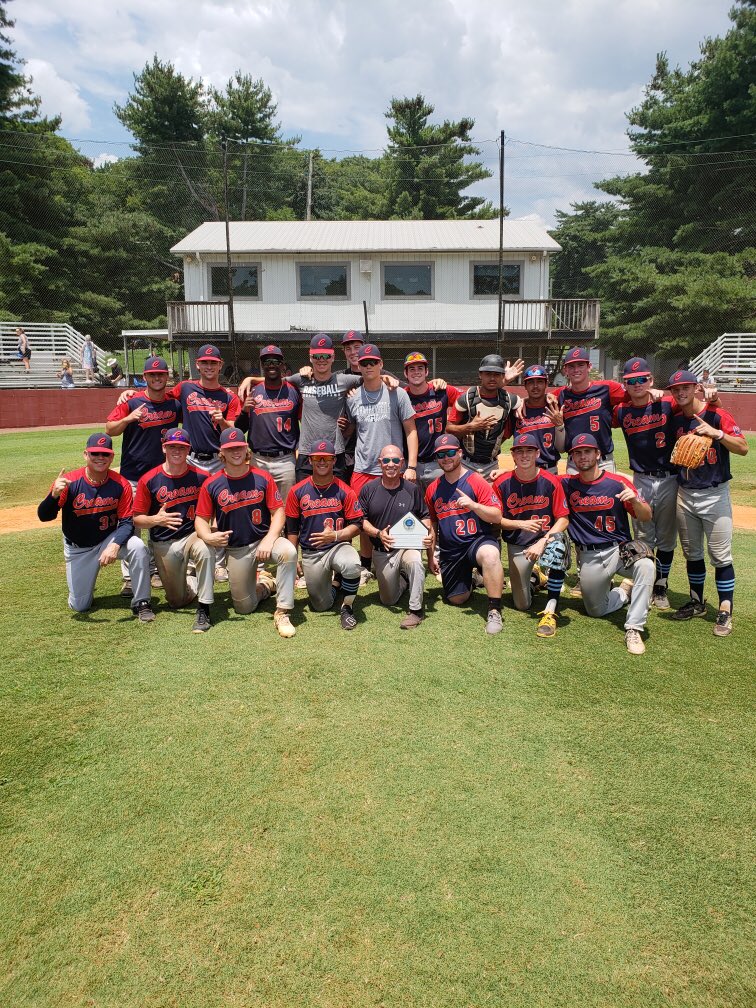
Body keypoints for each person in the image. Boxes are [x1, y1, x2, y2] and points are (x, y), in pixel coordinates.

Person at [36, 433, 155, 621]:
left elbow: (126, 522)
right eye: (95, 453)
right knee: (80, 606)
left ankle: (142, 602)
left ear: (112, 457)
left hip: (107, 539)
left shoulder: (120, 483)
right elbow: (44, 516)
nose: (100, 458)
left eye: (105, 454)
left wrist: (115, 545)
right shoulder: (69, 482)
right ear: (86, 455)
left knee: (137, 547)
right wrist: (53, 496)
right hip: (79, 548)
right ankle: (85, 584)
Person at [667, 369, 748, 636]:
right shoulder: (676, 417)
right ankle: (697, 601)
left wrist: (717, 433)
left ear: (696, 388)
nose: (680, 393)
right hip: (686, 493)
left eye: (685, 388)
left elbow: (742, 447)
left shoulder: (717, 414)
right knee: (693, 554)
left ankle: (725, 609)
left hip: (715, 494)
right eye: (676, 389)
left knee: (721, 555)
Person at [194, 427, 297, 638]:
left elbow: (278, 511)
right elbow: (201, 519)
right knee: (244, 606)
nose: (236, 452)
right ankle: (266, 586)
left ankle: (283, 611)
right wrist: (207, 536)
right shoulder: (212, 484)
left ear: (246, 449)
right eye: (230, 449)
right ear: (222, 452)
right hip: (237, 548)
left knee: (289, 552)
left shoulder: (263, 477)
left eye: (239, 447)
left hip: (263, 540)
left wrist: (270, 538)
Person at [561, 433, 654, 655]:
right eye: (578, 453)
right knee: (595, 610)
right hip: (589, 556)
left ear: (598, 454)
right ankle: (624, 592)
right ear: (572, 458)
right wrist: (499, 474)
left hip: (619, 549)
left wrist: (633, 499)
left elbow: (646, 515)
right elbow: (536, 477)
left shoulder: (617, 483)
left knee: (646, 566)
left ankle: (633, 627)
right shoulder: (566, 483)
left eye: (587, 451)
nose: (583, 456)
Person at [106, 356, 182, 595]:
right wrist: (129, 418)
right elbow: (110, 428)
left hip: (162, 476)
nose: (157, 378)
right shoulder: (132, 402)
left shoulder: (174, 404)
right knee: (131, 526)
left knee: (159, 524)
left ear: (166, 377)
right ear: (145, 377)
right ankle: (130, 578)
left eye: (161, 375)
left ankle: (156, 570)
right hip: (133, 475)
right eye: (152, 375)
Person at [345, 343, 418, 581]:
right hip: (363, 467)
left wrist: (412, 466)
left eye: (372, 363)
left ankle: (402, 561)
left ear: (381, 364)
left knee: (399, 515)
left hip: (392, 467)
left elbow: (411, 431)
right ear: (359, 366)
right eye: (364, 363)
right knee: (362, 519)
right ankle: (366, 565)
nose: (368, 367)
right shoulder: (354, 398)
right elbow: (354, 430)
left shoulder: (397, 393)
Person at [133, 428, 214, 632]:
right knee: (176, 601)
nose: (176, 451)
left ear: (188, 450)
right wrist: (155, 519)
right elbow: (137, 519)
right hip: (164, 542)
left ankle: (204, 608)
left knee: (204, 549)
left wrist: (210, 529)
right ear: (164, 448)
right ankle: (192, 581)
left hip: (192, 535)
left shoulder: (202, 477)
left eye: (181, 447)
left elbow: (214, 510)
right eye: (172, 447)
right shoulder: (149, 479)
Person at [613, 357, 679, 609]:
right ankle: (644, 583)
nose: (638, 384)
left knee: (666, 536)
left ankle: (661, 584)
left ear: (651, 380)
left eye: (643, 379)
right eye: (632, 381)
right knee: (643, 534)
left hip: (669, 477)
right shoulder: (622, 411)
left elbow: (694, 403)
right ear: (625, 385)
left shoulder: (667, 403)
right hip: (640, 479)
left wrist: (711, 396)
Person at [425, 434, 505, 634]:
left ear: (460, 453)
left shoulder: (475, 480)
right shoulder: (433, 488)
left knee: (490, 555)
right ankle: (475, 578)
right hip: (452, 550)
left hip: (477, 541)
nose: (446, 458)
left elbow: (496, 515)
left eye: (451, 452)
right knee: (456, 599)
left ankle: (494, 609)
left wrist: (474, 505)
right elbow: (432, 524)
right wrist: (430, 556)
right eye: (441, 454)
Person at [492, 433, 570, 637]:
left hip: (547, 541)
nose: (524, 455)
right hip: (519, 546)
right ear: (513, 455)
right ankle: (536, 577)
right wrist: (520, 523)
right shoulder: (502, 483)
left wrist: (543, 540)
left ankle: (552, 603)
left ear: (537, 453)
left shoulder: (551, 481)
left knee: (559, 542)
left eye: (529, 451)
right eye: (519, 451)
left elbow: (563, 518)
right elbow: (495, 519)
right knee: (522, 604)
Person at [286, 439, 364, 630]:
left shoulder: (345, 490)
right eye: (317, 458)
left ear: (333, 461)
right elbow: (292, 528)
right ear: (310, 461)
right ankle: (337, 584)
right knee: (321, 605)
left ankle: (347, 607)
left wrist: (336, 536)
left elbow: (357, 524)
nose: (322, 462)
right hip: (312, 553)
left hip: (338, 546)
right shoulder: (297, 491)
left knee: (353, 564)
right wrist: (293, 555)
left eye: (327, 458)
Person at [358, 444, 432, 629]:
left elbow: (425, 516)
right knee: (388, 600)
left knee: (415, 561)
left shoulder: (412, 489)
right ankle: (404, 580)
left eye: (396, 460)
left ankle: (416, 611)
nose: (391, 464)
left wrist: (428, 533)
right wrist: (377, 533)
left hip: (407, 546)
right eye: (387, 460)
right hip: (382, 551)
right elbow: (361, 520)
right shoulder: (368, 489)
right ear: (380, 463)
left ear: (402, 463)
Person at [237, 344, 300, 503]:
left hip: (285, 460)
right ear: (262, 365)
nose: (271, 365)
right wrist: (245, 411)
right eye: (266, 362)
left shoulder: (293, 390)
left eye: (275, 361)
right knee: (258, 507)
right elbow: (239, 429)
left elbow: (305, 423)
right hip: (258, 459)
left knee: (287, 510)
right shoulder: (252, 391)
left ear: (283, 365)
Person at [446, 354, 524, 480]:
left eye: (497, 374)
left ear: (503, 376)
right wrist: (470, 427)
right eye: (488, 373)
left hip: (492, 465)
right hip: (465, 463)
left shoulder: (511, 401)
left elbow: (506, 434)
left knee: (490, 499)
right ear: (480, 375)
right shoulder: (467, 399)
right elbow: (449, 429)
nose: (492, 378)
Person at [557, 347, 628, 472]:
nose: (576, 370)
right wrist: (521, 402)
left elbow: (635, 394)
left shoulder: (607, 388)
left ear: (589, 366)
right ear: (566, 370)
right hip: (575, 462)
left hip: (603, 462)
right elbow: (538, 399)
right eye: (571, 366)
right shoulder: (560, 394)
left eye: (580, 365)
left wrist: (650, 392)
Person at [402, 351, 462, 490]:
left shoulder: (442, 390)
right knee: (413, 508)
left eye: (420, 368)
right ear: (405, 373)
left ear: (427, 371)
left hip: (438, 462)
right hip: (411, 464)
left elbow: (470, 398)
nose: (416, 372)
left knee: (441, 503)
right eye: (412, 369)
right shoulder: (402, 396)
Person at [508, 365, 565, 473]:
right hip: (522, 471)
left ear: (546, 384)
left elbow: (561, 449)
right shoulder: (516, 410)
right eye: (530, 382)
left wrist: (560, 425)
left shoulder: (555, 407)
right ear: (524, 385)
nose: (535, 386)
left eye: (539, 381)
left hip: (550, 469)